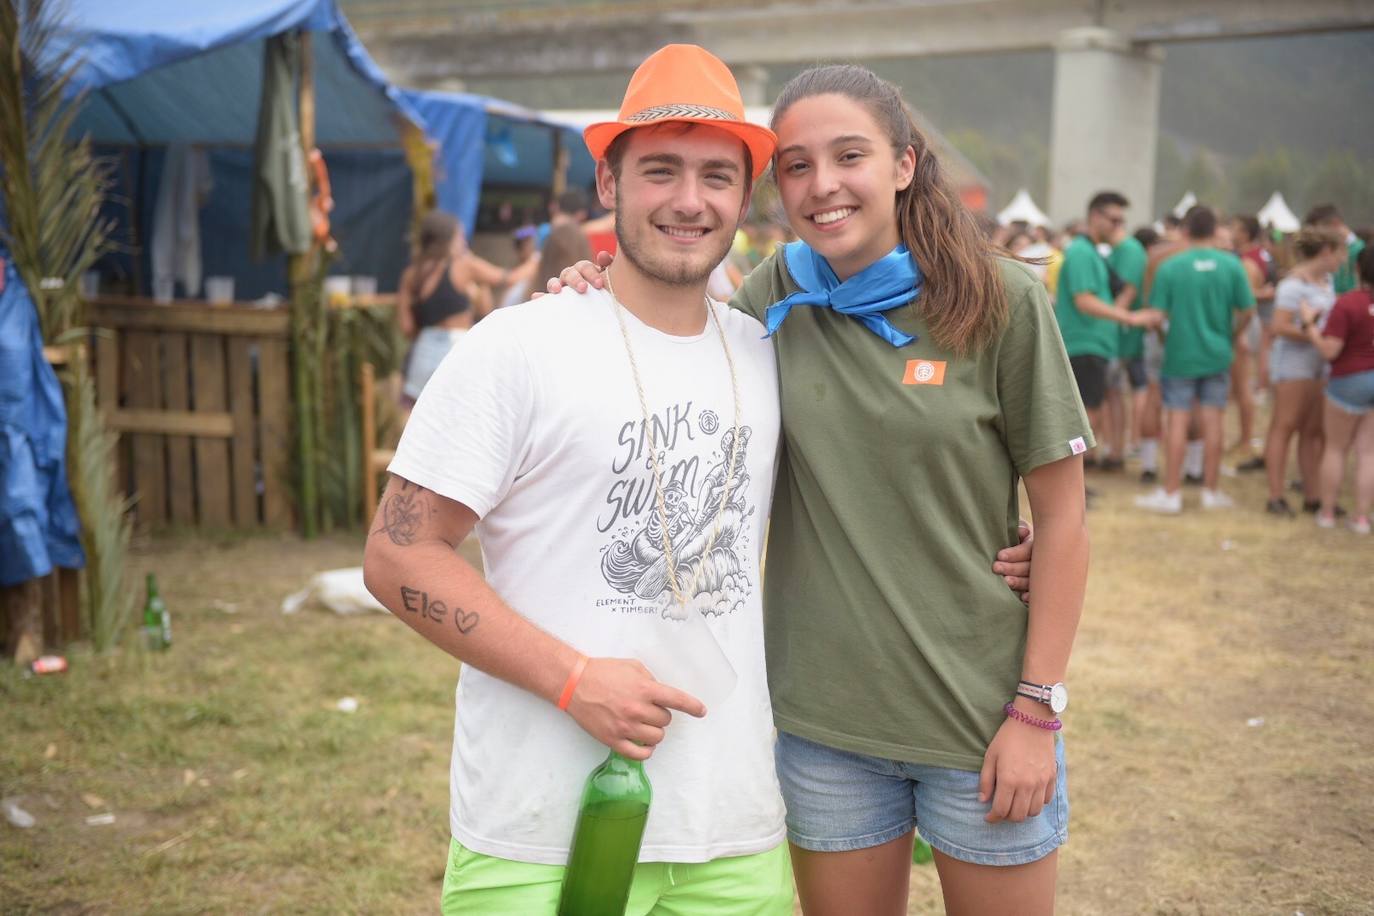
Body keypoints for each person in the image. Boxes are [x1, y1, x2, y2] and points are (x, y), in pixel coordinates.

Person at [366, 44, 1038, 914]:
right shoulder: (518, 346)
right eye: (660, 172)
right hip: (536, 833)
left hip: (732, 832)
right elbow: (398, 557)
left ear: (745, 196)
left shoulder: (766, 345)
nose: (689, 200)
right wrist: (573, 678)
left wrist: (1009, 538)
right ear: (608, 185)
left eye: (717, 176)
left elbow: (886, 459)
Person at [558, 62, 1090, 916]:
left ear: (905, 164)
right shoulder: (777, 297)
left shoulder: (1002, 300)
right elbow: (669, 326)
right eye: (797, 166)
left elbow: (1063, 519)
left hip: (980, 718)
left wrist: (1037, 710)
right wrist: (596, 288)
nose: (823, 185)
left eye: (850, 156)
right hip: (825, 730)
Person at [1134, 205, 1255, 514]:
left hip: (1180, 353)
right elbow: (1248, 310)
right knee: (1213, 420)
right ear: (1216, 231)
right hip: (1217, 353)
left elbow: (1158, 316)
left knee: (1177, 419)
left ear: (1185, 231)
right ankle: (1210, 492)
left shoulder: (1170, 267)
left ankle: (1171, 492)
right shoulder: (1231, 265)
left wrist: (1163, 339)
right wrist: (1230, 333)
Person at [1053, 191, 1159, 471]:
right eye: (1114, 219)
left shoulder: (1089, 252)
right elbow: (1084, 300)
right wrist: (1129, 317)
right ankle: (1080, 478)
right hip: (1084, 343)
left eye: (1122, 220)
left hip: (1093, 343)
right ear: (1095, 217)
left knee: (1093, 409)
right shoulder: (1080, 252)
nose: (1118, 226)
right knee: (1087, 414)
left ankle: (1083, 475)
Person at [1262, 226, 1347, 516]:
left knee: (1314, 431)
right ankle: (1275, 495)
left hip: (1319, 366)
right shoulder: (1292, 285)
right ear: (1325, 252)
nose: (1342, 259)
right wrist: (1315, 335)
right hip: (1293, 365)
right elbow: (1279, 326)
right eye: (1339, 253)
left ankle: (1314, 495)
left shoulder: (1327, 282)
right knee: (1284, 426)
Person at [1298, 245, 1374, 533]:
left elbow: (1330, 350)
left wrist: (1309, 326)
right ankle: (1362, 517)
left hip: (1349, 381)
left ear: (1358, 269)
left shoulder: (1348, 303)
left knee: (1336, 448)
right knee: (1369, 453)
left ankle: (1327, 512)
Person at [396, 212, 507, 407]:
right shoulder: (464, 266)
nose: (464, 243)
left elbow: (406, 327)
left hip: (423, 351)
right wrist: (536, 262)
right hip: (458, 347)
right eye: (461, 237)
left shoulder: (411, 274)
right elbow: (506, 278)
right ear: (449, 240)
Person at [1233, 215, 1277, 470]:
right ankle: (1245, 436)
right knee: (1242, 385)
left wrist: (1238, 333)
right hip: (1253, 323)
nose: (1231, 232)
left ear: (1246, 233)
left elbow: (1245, 299)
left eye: (1236, 228)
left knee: (1242, 385)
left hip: (1246, 324)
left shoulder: (1248, 261)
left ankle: (1246, 438)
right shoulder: (1261, 255)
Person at [1305, 203, 1366, 295]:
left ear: (1335, 223)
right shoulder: (1327, 250)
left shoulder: (1361, 250)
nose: (1317, 238)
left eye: (1319, 232)